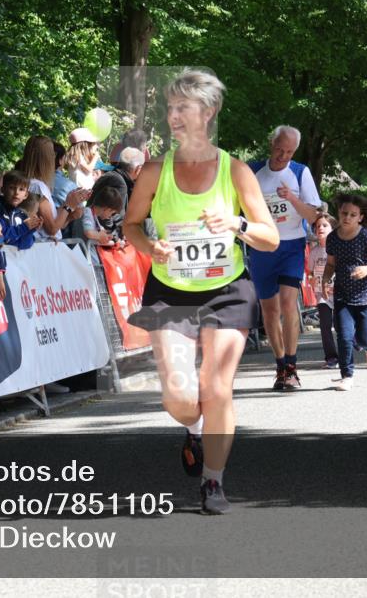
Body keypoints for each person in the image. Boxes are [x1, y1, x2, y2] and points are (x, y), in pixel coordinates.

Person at [123, 69, 279, 514]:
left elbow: (270, 237)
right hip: (171, 291)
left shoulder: (235, 171)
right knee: (179, 394)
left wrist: (238, 224)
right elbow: (131, 225)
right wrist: (151, 247)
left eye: (182, 108)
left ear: (208, 112)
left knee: (217, 387)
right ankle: (193, 430)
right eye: (170, 108)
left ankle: (214, 481)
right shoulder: (155, 172)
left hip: (226, 289)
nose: (173, 116)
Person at [246, 126, 321, 390]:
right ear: (271, 143)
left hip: (291, 245)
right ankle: (280, 365)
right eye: (280, 149)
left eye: (289, 152)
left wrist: (291, 198)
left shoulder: (300, 172)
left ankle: (292, 365)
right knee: (270, 309)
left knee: (289, 303)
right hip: (262, 247)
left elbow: (313, 216)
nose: (283, 156)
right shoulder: (252, 171)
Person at [321, 194, 367, 389]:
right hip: (343, 294)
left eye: (353, 214)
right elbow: (331, 263)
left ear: (360, 217)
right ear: (339, 214)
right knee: (343, 336)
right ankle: (347, 376)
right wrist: (325, 279)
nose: (347, 218)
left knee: (364, 337)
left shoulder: (366, 236)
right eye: (344, 213)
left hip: (366, 295)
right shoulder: (332, 238)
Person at [15, 135, 88, 242]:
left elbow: (56, 224)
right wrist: (68, 205)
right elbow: (51, 229)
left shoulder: (33, 183)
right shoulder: (37, 187)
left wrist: (70, 215)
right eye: (51, 154)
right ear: (45, 159)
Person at [307, 214, 338, 369]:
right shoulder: (314, 252)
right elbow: (310, 271)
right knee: (325, 326)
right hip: (322, 295)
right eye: (318, 226)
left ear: (332, 229)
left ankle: (352, 342)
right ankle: (331, 357)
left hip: (339, 293)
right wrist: (312, 278)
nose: (320, 228)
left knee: (340, 325)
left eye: (325, 225)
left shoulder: (338, 248)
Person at [0, 170, 42, 250]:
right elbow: (1, 235)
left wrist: (30, 230)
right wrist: (24, 228)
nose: (16, 192)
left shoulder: (22, 215)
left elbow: (23, 245)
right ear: (3, 189)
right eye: (12, 188)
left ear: (26, 195)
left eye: (21, 189)